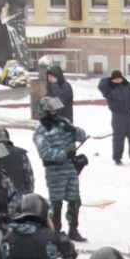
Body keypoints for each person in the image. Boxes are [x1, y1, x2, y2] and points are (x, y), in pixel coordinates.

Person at [33, 97, 88, 242]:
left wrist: (73, 130)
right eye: (51, 111)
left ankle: (73, 230)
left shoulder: (64, 124)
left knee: (75, 200)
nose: (55, 113)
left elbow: (83, 136)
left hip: (70, 168)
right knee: (56, 203)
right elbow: (44, 152)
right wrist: (64, 155)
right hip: (55, 171)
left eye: (56, 110)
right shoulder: (41, 131)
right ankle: (55, 232)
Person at [99, 69, 130, 165]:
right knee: (119, 138)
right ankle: (117, 158)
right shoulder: (109, 88)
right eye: (115, 79)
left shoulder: (128, 86)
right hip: (118, 116)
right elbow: (101, 85)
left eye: (119, 78)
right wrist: (110, 79)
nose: (118, 80)